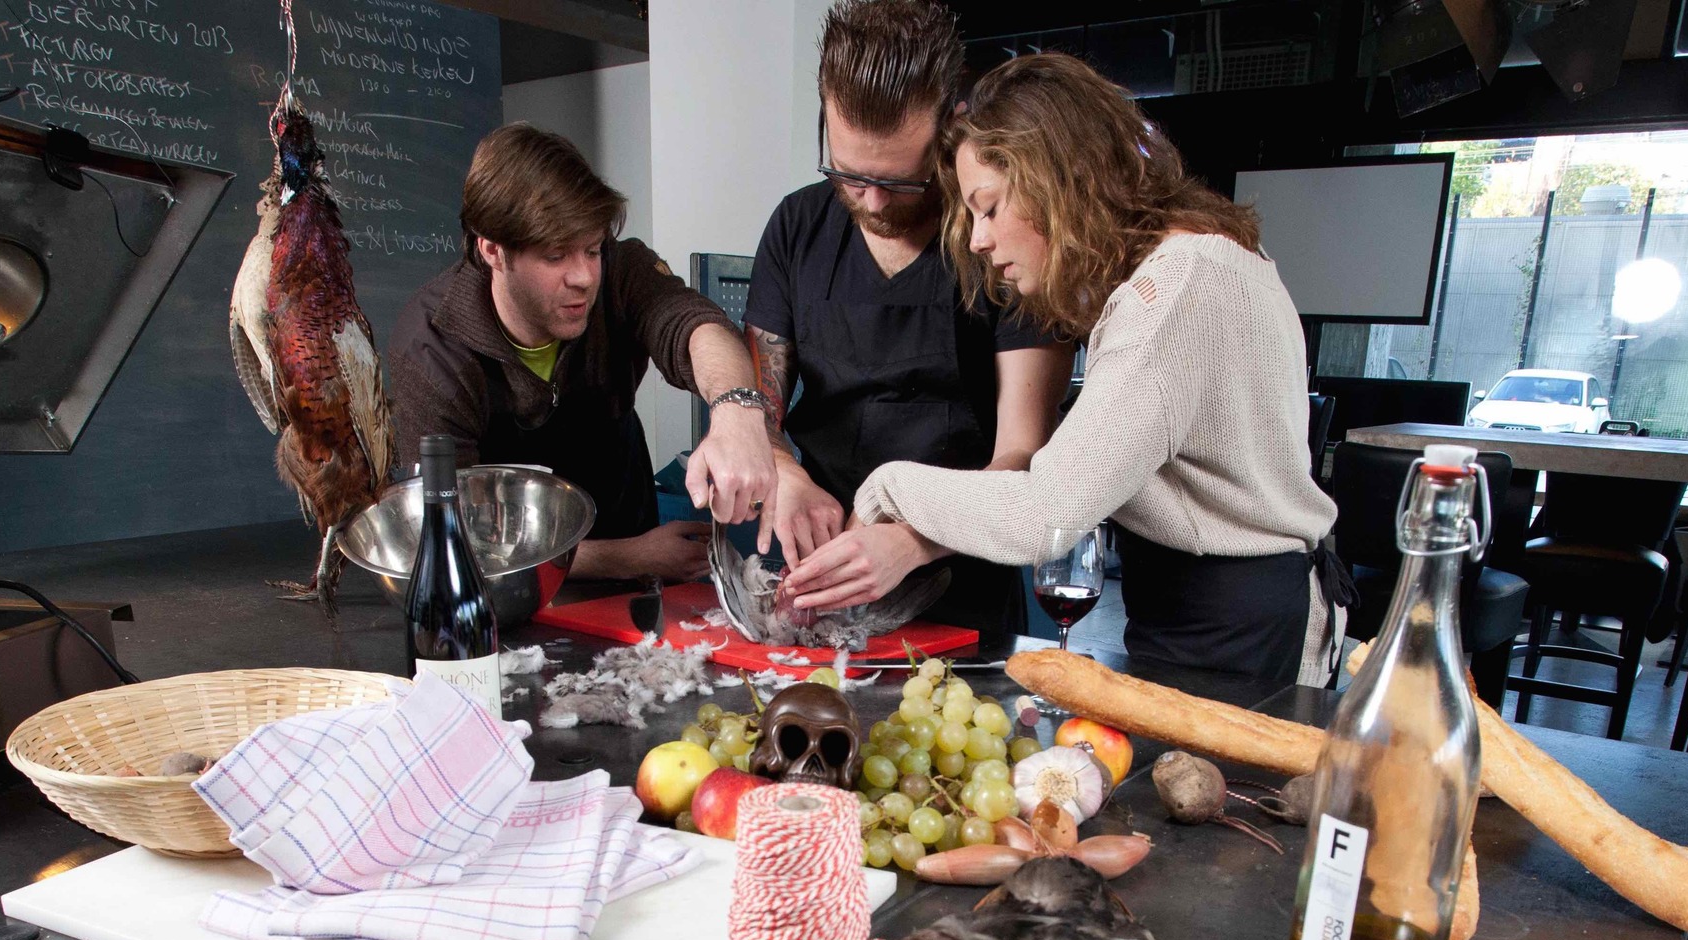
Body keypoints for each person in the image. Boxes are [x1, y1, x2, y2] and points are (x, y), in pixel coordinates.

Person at [780, 53, 1342, 684]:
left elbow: (1043, 517)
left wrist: (886, 486)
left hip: (1234, 625)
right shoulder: (1208, 258)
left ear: (1059, 181)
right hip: (1220, 605)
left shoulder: (1172, 294)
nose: (978, 240)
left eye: (990, 207)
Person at [744, 0, 1070, 633]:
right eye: (848, 175)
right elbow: (760, 406)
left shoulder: (1004, 237)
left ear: (952, 126)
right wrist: (785, 472)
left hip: (963, 580)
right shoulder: (796, 226)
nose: (871, 202)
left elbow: (1024, 458)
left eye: (900, 182)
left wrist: (911, 540)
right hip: (819, 572)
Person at [388, 124, 776, 583]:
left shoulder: (620, 270)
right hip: (507, 587)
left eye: (591, 250)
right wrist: (630, 557)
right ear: (493, 249)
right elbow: (451, 538)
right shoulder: (431, 350)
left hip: (625, 526)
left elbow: (694, 325)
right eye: (555, 256)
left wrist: (736, 411)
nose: (584, 278)